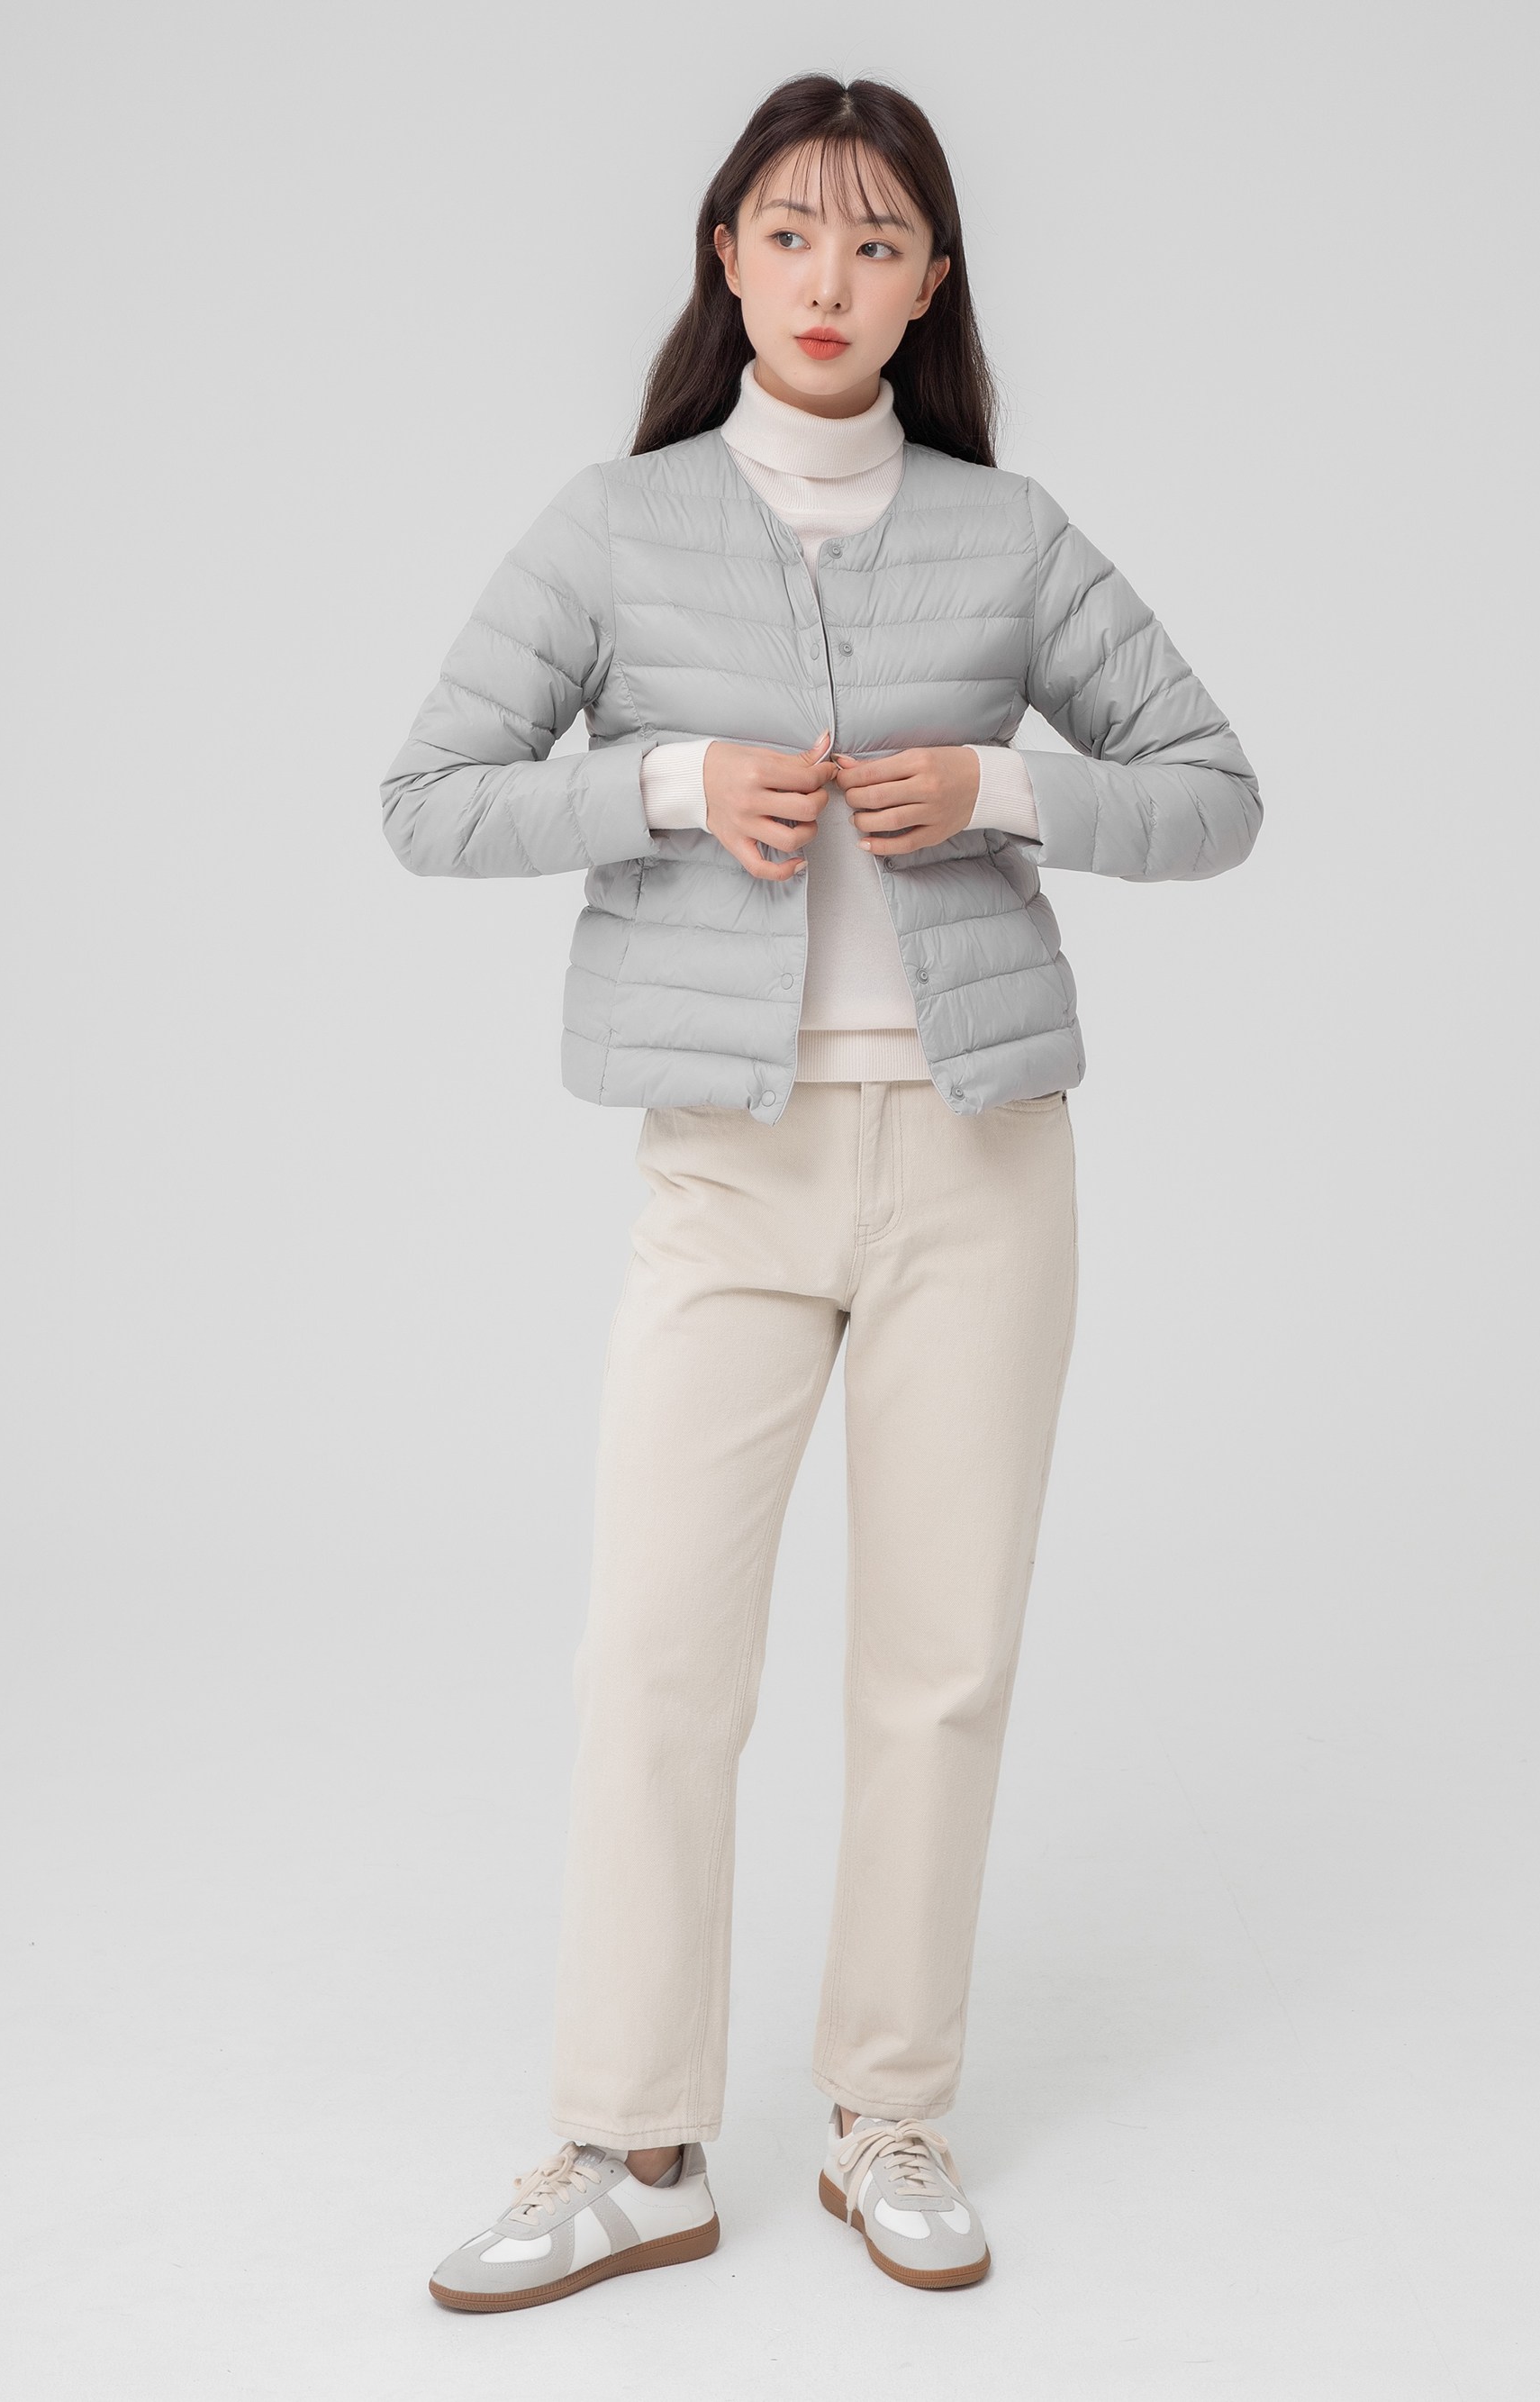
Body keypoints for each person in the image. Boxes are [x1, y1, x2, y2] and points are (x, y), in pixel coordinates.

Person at [380, 71, 1262, 2313]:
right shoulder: (616, 524)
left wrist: (1007, 791)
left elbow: (1213, 789)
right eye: (791, 232)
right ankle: (632, 2142)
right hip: (730, 1166)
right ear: (725, 253)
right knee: (654, 1658)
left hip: (980, 1160)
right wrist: (668, 783)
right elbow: (432, 795)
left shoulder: (1009, 532)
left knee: (936, 1661)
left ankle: (891, 2111)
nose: (829, 278)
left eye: (877, 241)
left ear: (930, 282)